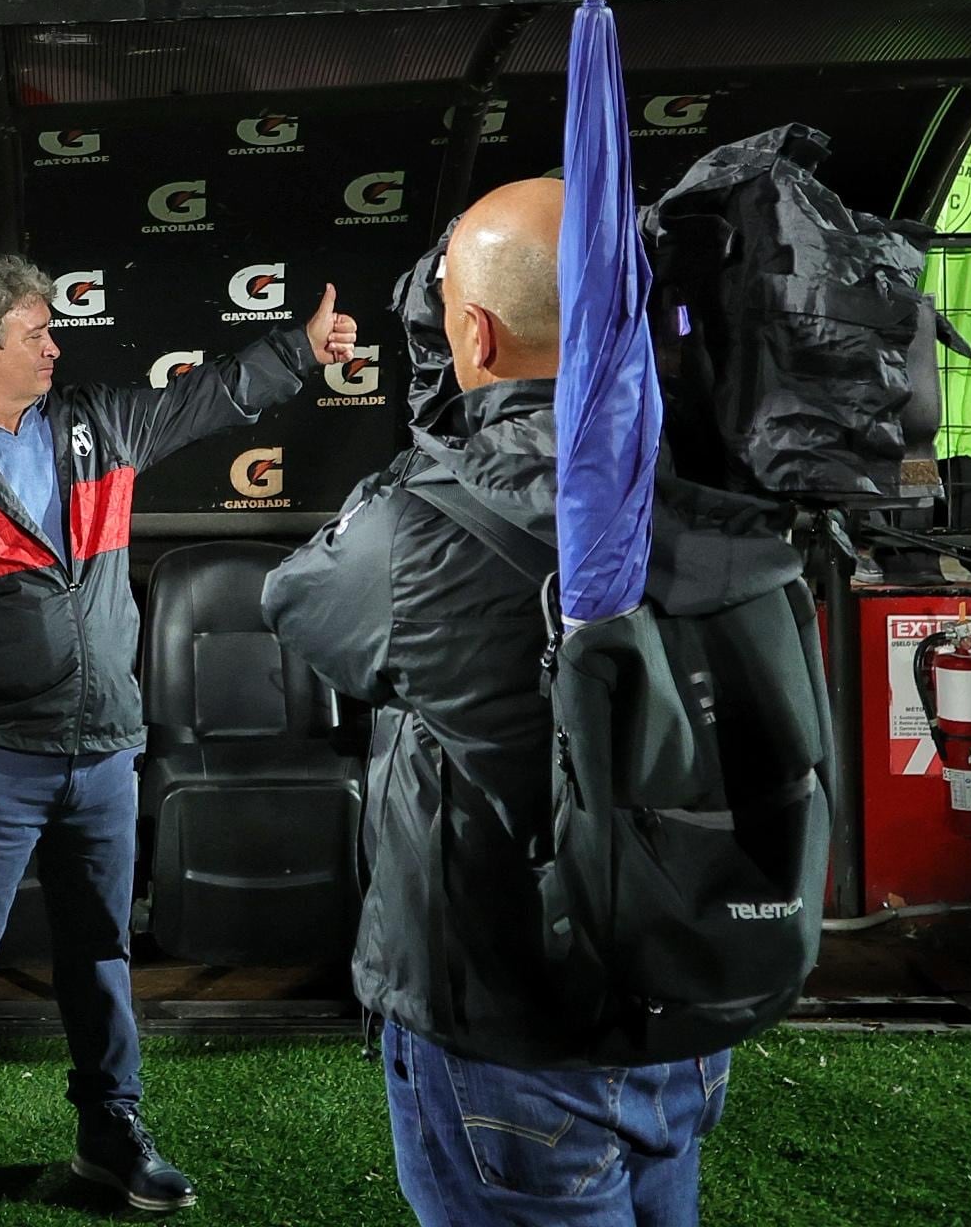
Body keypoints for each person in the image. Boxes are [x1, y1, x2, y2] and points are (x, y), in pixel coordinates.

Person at [0, 253, 358, 1227]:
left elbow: (210, 398)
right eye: (36, 332)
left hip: (107, 749)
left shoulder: (98, 422)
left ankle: (108, 1134)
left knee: (101, 952)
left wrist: (297, 348)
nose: (55, 345)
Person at [261, 180, 730, 1227]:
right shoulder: (711, 471)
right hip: (684, 1013)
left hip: (508, 1035)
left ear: (468, 329)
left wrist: (447, 416)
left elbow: (300, 598)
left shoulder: (423, 526)